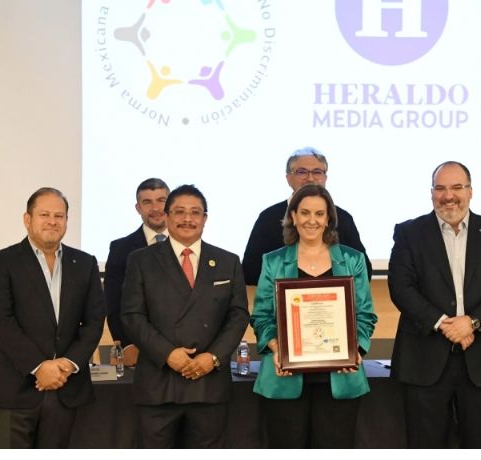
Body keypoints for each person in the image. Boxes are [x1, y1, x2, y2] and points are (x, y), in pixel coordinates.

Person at [388, 161, 481, 448]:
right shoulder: (409, 233)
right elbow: (400, 287)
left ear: (470, 191)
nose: (449, 196)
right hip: (424, 359)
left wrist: (470, 323)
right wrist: (443, 323)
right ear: (431, 193)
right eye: (441, 188)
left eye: (457, 187)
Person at [121, 184, 249, 448]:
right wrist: (168, 354)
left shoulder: (228, 261)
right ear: (167, 217)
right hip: (158, 385)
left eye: (195, 212)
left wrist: (212, 358)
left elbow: (237, 316)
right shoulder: (141, 260)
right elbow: (132, 315)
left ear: (205, 218)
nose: (187, 219)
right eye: (179, 211)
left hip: (209, 384)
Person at [250, 184, 376, 448]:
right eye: (304, 213)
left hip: (341, 379)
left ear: (329, 218)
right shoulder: (272, 261)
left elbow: (365, 315)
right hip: (284, 379)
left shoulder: (353, 260)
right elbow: (261, 317)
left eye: (319, 214)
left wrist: (355, 350)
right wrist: (277, 348)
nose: (312, 220)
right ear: (293, 216)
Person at [0, 188, 105, 448]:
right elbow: (3, 323)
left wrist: (68, 364)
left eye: (60, 215)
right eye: (44, 214)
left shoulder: (85, 263)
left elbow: (93, 322)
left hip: (66, 388)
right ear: (27, 219)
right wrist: (40, 366)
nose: (52, 221)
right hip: (13, 389)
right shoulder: (0, 263)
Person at [242, 146, 372, 285]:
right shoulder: (268, 217)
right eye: (301, 172)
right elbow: (250, 271)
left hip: (332, 302)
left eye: (317, 172)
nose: (310, 178)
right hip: (285, 302)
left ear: (325, 177)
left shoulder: (342, 218)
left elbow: (364, 271)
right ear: (288, 178)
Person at [104, 177, 170, 366]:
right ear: (138, 208)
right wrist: (127, 345)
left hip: (183, 349)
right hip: (138, 350)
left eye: (161, 200)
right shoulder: (120, 249)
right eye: (147, 202)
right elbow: (114, 304)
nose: (155, 208)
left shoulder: (189, 246)